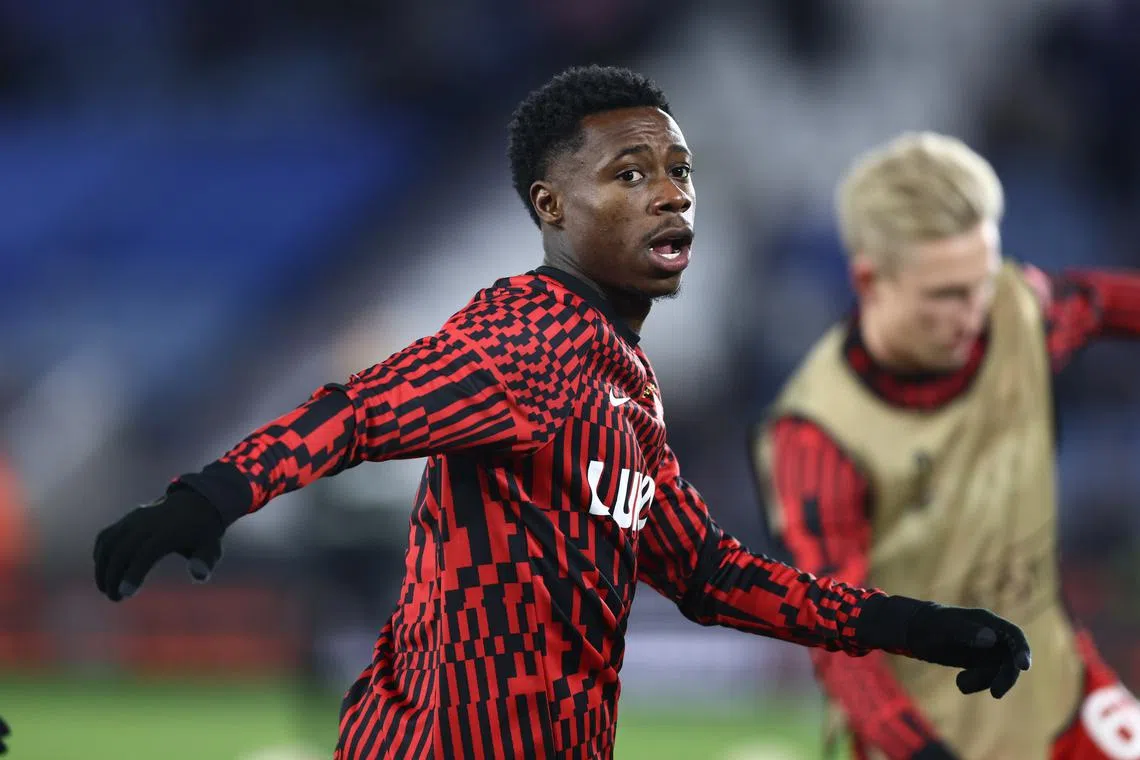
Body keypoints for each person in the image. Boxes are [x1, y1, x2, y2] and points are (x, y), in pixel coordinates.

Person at [94, 67, 1030, 760]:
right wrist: (211, 495)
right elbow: (367, 406)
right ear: (551, 204)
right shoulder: (527, 338)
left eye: (679, 169)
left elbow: (709, 573)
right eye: (630, 174)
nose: (671, 193)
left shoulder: (628, 390)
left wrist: (914, 626)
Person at [750, 131, 1140, 760]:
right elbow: (835, 637)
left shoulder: (1018, 312)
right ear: (872, 281)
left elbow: (1101, 304)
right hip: (920, 727)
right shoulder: (818, 437)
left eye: (982, 282)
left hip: (1059, 690)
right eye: (947, 295)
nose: (976, 312)